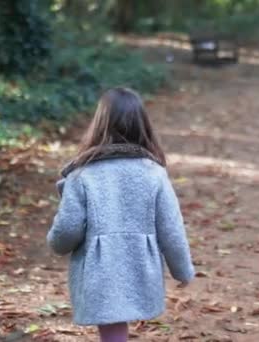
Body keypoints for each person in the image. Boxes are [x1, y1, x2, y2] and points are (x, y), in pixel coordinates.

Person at [46, 87, 195, 342]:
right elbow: (171, 228)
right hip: (139, 266)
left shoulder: (82, 174)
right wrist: (182, 270)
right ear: (143, 126)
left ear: (99, 125)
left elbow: (68, 228)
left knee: (112, 326)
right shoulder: (153, 172)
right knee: (116, 327)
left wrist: (56, 243)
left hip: (100, 269)